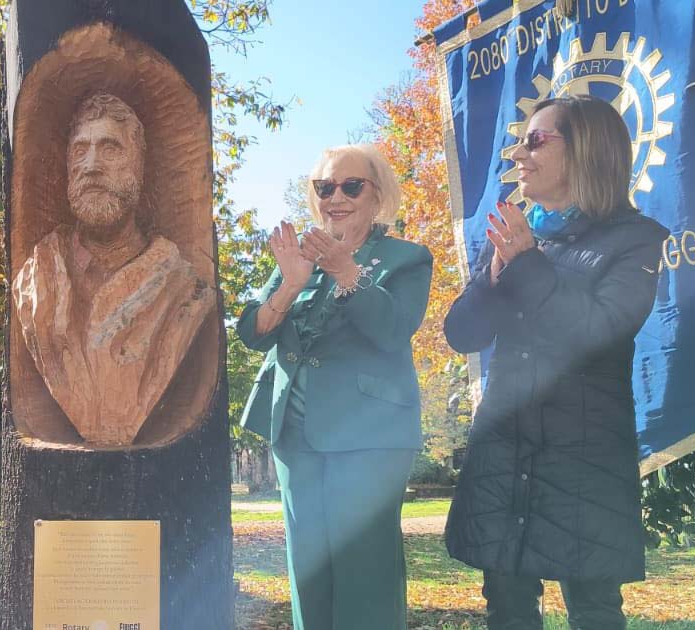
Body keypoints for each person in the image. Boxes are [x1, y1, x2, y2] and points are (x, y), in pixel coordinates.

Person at [443, 95, 668, 629]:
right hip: (506, 446)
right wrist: (495, 277)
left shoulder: (634, 240)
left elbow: (598, 332)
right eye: (521, 140)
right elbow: (462, 333)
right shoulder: (517, 234)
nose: (518, 153)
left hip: (582, 456)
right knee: (507, 603)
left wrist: (526, 264)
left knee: (592, 608)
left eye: (536, 140)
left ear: (586, 151)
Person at [237, 144, 433, 629]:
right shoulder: (299, 255)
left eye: (350, 185)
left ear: (377, 193)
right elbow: (252, 334)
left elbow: (392, 329)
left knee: (366, 574)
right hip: (294, 436)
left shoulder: (406, 258)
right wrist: (288, 284)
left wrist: (347, 273)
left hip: (369, 438)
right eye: (324, 187)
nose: (335, 197)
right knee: (309, 570)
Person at [11, 92, 214, 446]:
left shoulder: (183, 289)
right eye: (80, 150)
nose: (91, 165)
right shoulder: (36, 279)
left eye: (110, 148)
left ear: (139, 165)